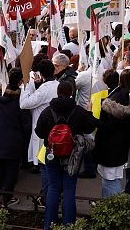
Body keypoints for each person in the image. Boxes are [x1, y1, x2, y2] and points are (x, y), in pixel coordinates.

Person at [34, 80, 98, 230]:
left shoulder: (48, 111)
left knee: (53, 187)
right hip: (73, 156)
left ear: (57, 92)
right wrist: (89, 111)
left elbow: (39, 132)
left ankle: (49, 224)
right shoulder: (79, 111)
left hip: (52, 154)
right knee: (69, 188)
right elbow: (90, 128)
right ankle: (69, 224)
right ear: (72, 93)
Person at [0, 68, 31, 206]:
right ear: (19, 82)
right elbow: (26, 123)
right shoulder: (21, 100)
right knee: (12, 169)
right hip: (14, 139)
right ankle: (6, 198)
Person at [20, 59, 59, 206]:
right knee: (52, 167)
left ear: (41, 74)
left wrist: (25, 86)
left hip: (44, 132)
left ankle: (46, 197)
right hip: (55, 131)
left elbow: (24, 104)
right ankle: (51, 195)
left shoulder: (45, 89)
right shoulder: (57, 85)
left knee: (45, 166)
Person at [93, 69, 130, 198]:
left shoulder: (112, 101)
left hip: (110, 147)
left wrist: (93, 120)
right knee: (115, 178)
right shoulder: (124, 94)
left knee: (110, 180)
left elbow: (109, 126)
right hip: (120, 145)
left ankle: (112, 210)